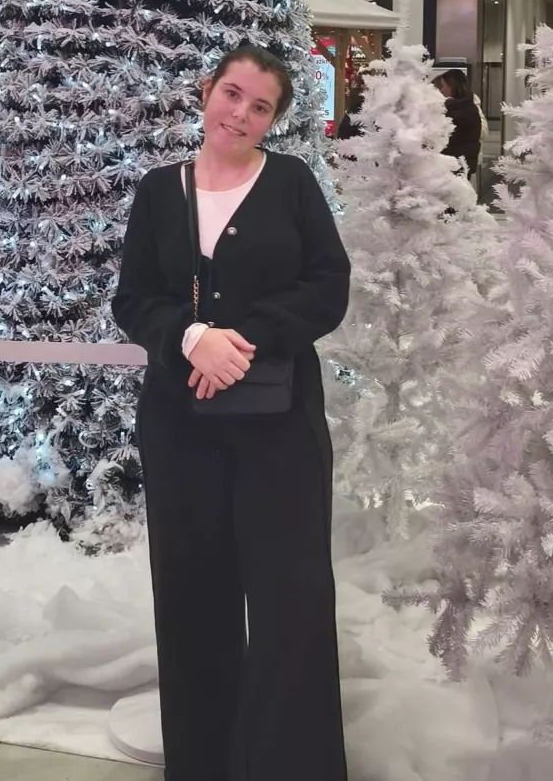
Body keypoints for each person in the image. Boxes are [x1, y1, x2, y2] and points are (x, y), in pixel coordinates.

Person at [113, 43, 352, 781]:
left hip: (281, 429)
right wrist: (190, 338)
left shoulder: (293, 183)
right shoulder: (160, 191)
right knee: (193, 599)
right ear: (207, 90)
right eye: (233, 94)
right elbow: (133, 297)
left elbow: (329, 284)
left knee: (291, 603)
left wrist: (245, 342)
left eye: (261, 106)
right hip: (180, 429)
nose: (241, 114)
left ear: (274, 120)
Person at [434, 67, 482, 177]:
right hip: (460, 164)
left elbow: (448, 139)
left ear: (452, 86)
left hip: (455, 166)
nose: (441, 90)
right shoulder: (466, 106)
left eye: (443, 86)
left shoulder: (457, 110)